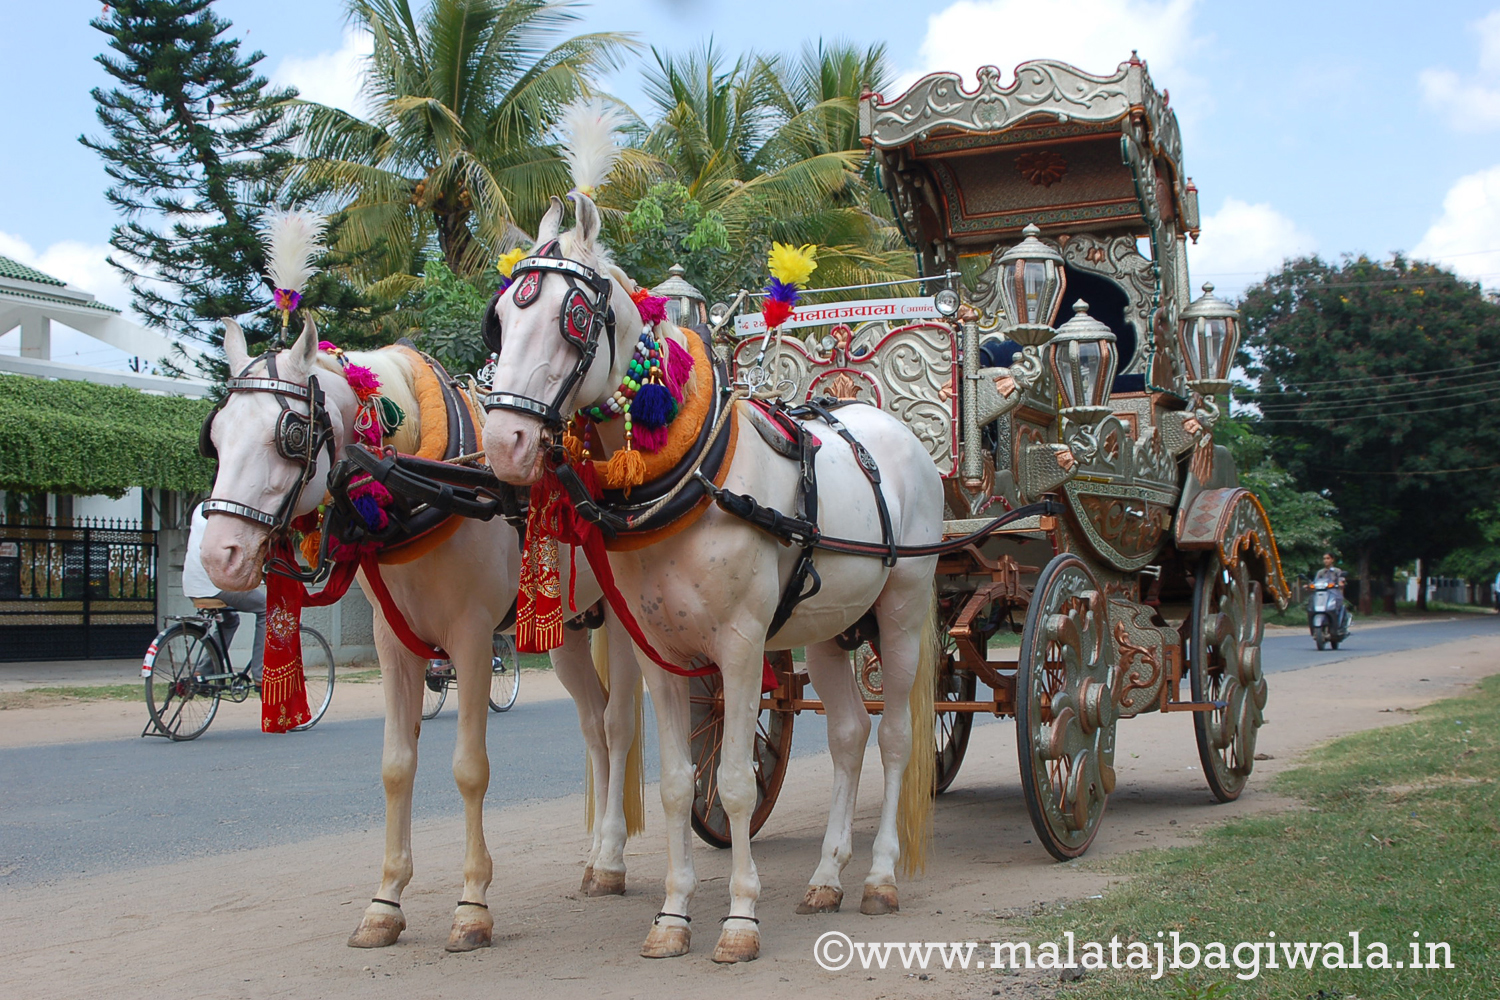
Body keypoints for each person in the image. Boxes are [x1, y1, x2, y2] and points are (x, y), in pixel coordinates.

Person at [181, 503, 266, 683]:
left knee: (230, 620)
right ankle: (260, 675)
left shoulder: (201, 507)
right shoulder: (229, 509)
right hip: (215, 584)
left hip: (191, 584)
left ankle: (203, 671)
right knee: (266, 608)